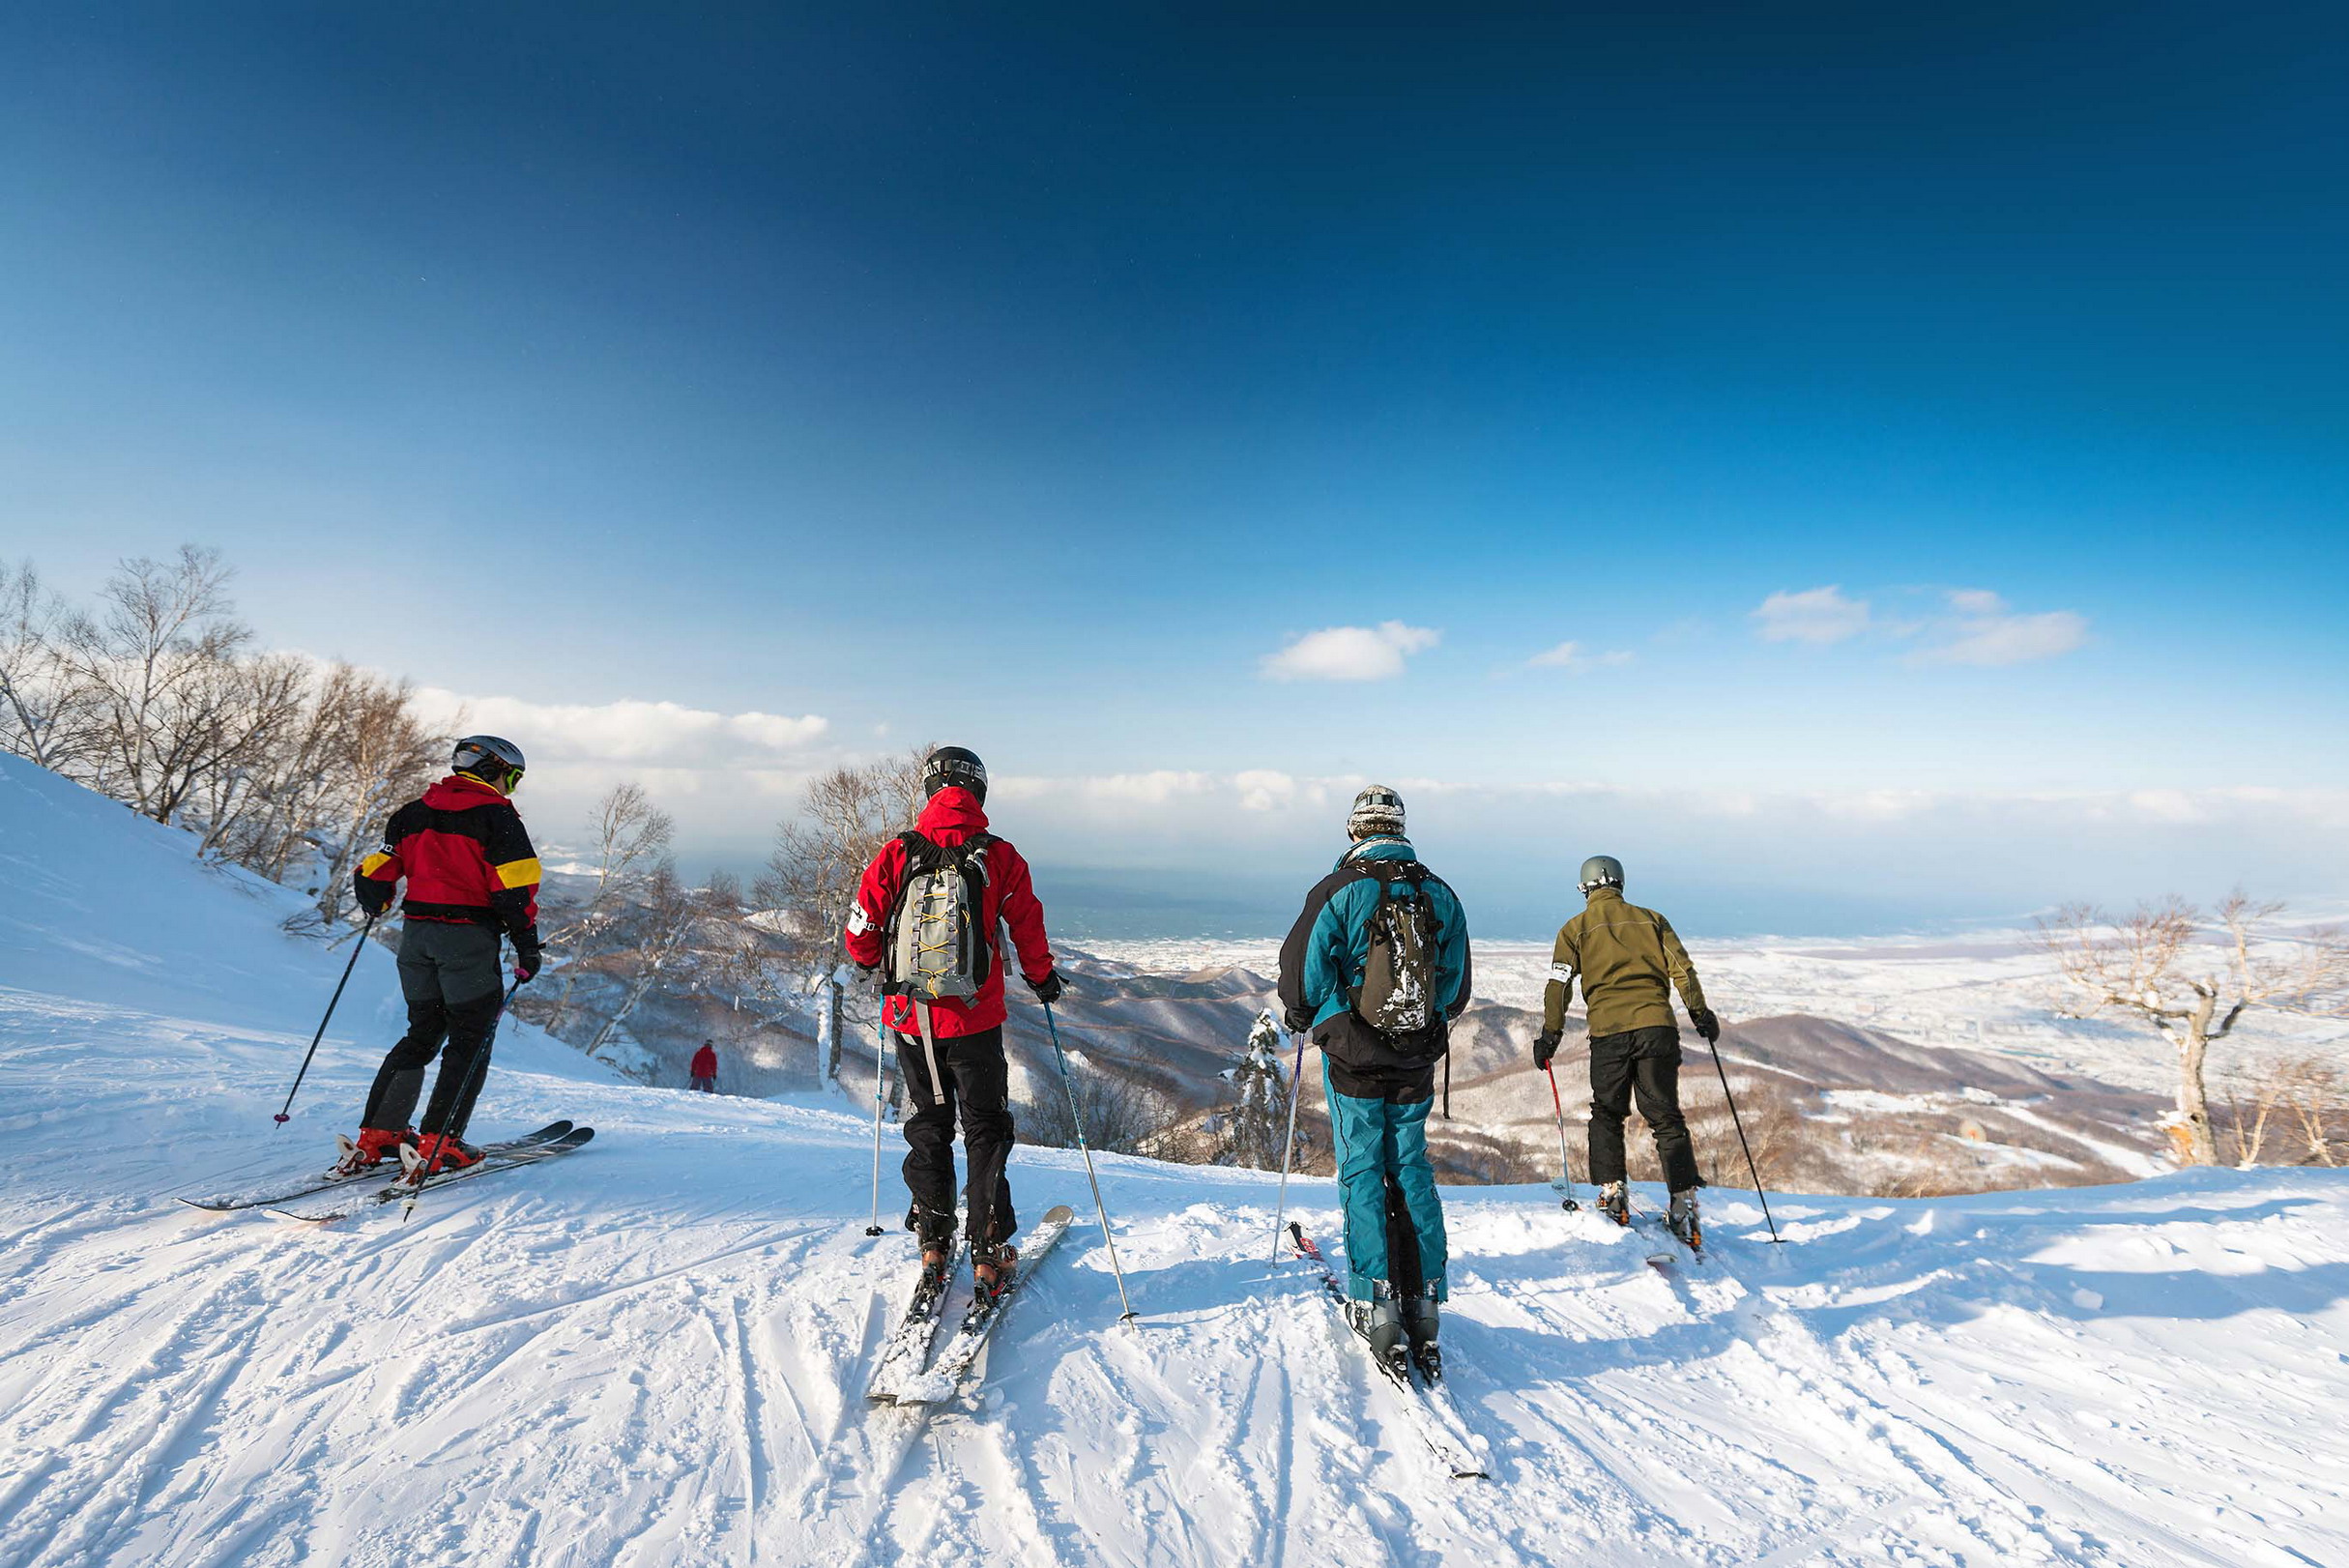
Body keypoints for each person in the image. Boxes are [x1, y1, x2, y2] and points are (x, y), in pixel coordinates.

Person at [842, 745, 1063, 1299]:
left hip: (911, 1020)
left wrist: (877, 964)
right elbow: (1027, 927)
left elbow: (860, 934)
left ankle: (934, 1241)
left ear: (928, 791)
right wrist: (1042, 979)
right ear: (979, 792)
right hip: (975, 1022)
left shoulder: (897, 853)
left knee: (928, 1123)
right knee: (985, 1128)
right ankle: (989, 1250)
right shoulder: (999, 856)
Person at [1277, 785, 1470, 1381]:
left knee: (1362, 1167)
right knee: (1409, 1166)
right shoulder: (1439, 892)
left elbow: (1303, 979)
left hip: (1356, 1057)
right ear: (1401, 828)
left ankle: (1376, 1297)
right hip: (1416, 1057)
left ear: (1355, 830)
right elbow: (1455, 988)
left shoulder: (1341, 889)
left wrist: (1314, 1019)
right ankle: (1425, 1297)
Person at [338, 736, 543, 1176]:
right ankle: (441, 1142)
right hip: (466, 940)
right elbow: (516, 889)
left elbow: (376, 870)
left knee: (422, 1033)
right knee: (470, 1038)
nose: (512, 788)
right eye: (513, 777)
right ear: (495, 770)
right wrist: (527, 942)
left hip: (416, 941)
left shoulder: (412, 813)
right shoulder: (498, 818)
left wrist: (374, 898)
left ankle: (380, 1135)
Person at [1532, 855, 1721, 1246]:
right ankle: (1684, 1204)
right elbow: (1682, 971)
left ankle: (1613, 1194)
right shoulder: (1652, 919)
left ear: (1585, 889)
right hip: (1657, 1029)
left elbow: (1558, 985)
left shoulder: (1574, 929)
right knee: (1666, 1116)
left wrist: (1551, 1035)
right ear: (1620, 883)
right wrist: (1700, 1014)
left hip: (1609, 1034)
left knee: (1607, 1112)